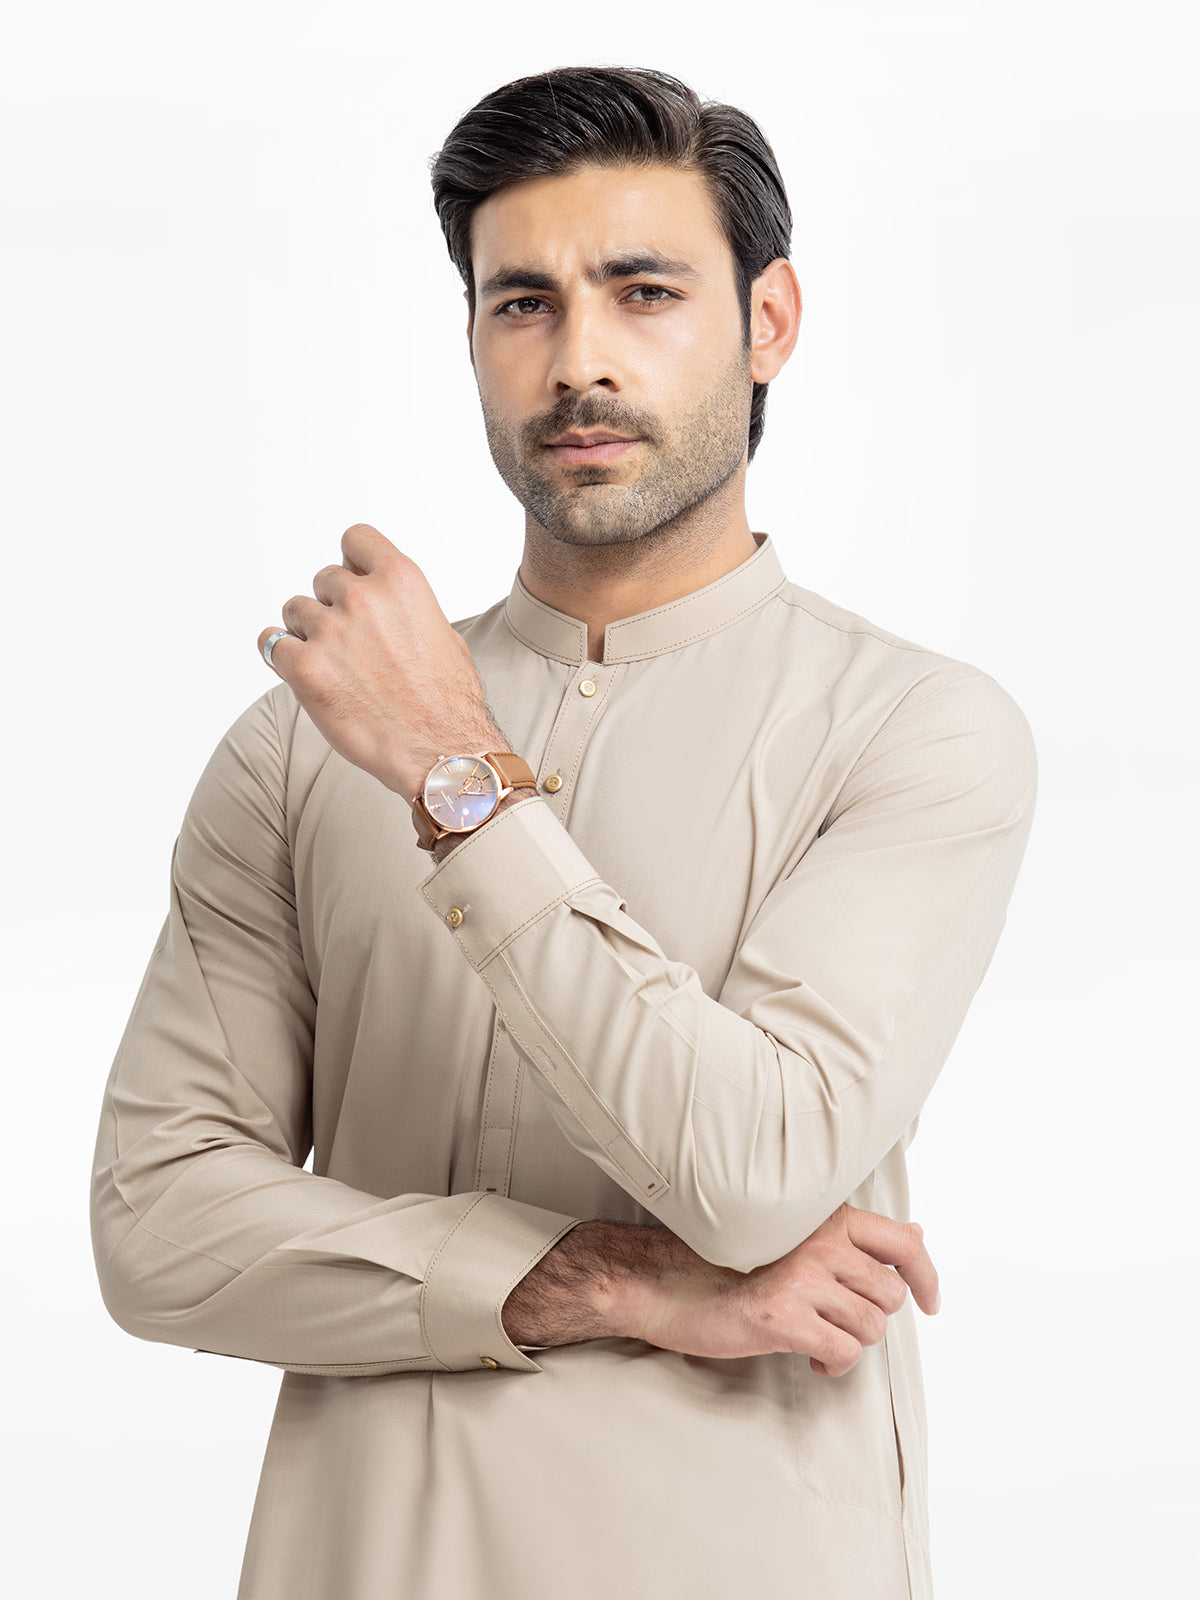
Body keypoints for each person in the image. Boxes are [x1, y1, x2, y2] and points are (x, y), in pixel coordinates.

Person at [90, 65, 1036, 1600]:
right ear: (471, 336)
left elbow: (751, 1172)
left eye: (644, 292)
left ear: (769, 321)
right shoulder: (302, 744)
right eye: (522, 303)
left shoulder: (914, 729)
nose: (579, 360)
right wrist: (603, 1282)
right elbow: (155, 1226)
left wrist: (457, 775)